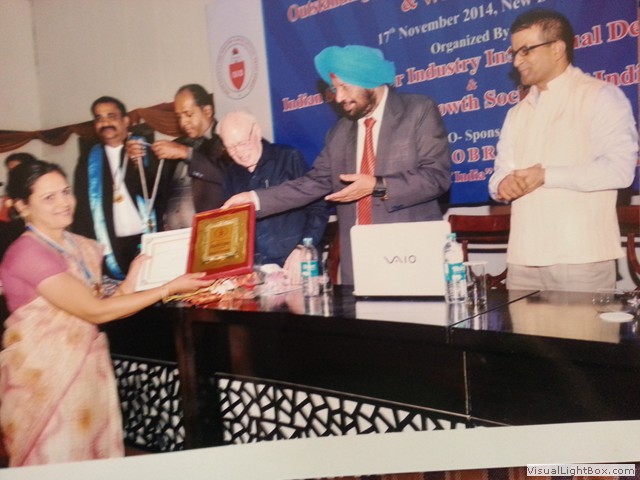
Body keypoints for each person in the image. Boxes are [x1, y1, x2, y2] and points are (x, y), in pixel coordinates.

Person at [0, 159, 210, 466]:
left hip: (86, 375)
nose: (64, 203)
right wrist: (168, 288)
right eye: (49, 197)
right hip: (43, 382)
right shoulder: (26, 252)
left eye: (66, 192)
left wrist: (132, 279)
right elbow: (95, 311)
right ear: (22, 206)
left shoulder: (78, 245)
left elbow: (107, 307)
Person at [223, 45, 451, 285]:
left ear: (367, 79)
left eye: (344, 87)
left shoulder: (418, 111)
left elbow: (436, 177)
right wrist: (255, 199)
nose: (339, 97)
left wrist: (377, 185)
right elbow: (312, 183)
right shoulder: (339, 132)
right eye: (335, 89)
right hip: (360, 263)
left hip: (412, 255)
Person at [488, 8, 638, 292]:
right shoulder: (516, 113)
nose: (517, 61)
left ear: (557, 49)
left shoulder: (601, 96)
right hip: (522, 260)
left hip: (581, 258)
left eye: (526, 51)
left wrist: (546, 175)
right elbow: (499, 174)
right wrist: (502, 185)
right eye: (514, 53)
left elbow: (620, 171)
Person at [218, 110, 329, 271]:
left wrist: (304, 248)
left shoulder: (288, 157)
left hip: (298, 262)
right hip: (258, 271)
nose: (239, 153)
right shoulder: (230, 175)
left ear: (257, 132)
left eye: (243, 143)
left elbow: (318, 209)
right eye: (230, 148)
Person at [72, 96, 165, 280]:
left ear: (126, 120)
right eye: (99, 118)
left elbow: (160, 194)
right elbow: (81, 210)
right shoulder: (87, 161)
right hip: (111, 244)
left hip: (147, 237)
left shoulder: (145, 149)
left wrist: (137, 164)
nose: (105, 123)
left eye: (111, 116)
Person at [127, 84, 228, 228]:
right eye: (179, 117)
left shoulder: (226, 138)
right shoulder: (177, 145)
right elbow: (150, 193)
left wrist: (186, 153)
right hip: (171, 235)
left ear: (207, 111)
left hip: (211, 232)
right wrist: (138, 163)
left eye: (188, 114)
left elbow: (226, 176)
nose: (183, 122)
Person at [0, 153, 37, 261]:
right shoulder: (9, 197)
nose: (13, 175)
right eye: (10, 171)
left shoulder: (38, 193)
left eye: (17, 170)